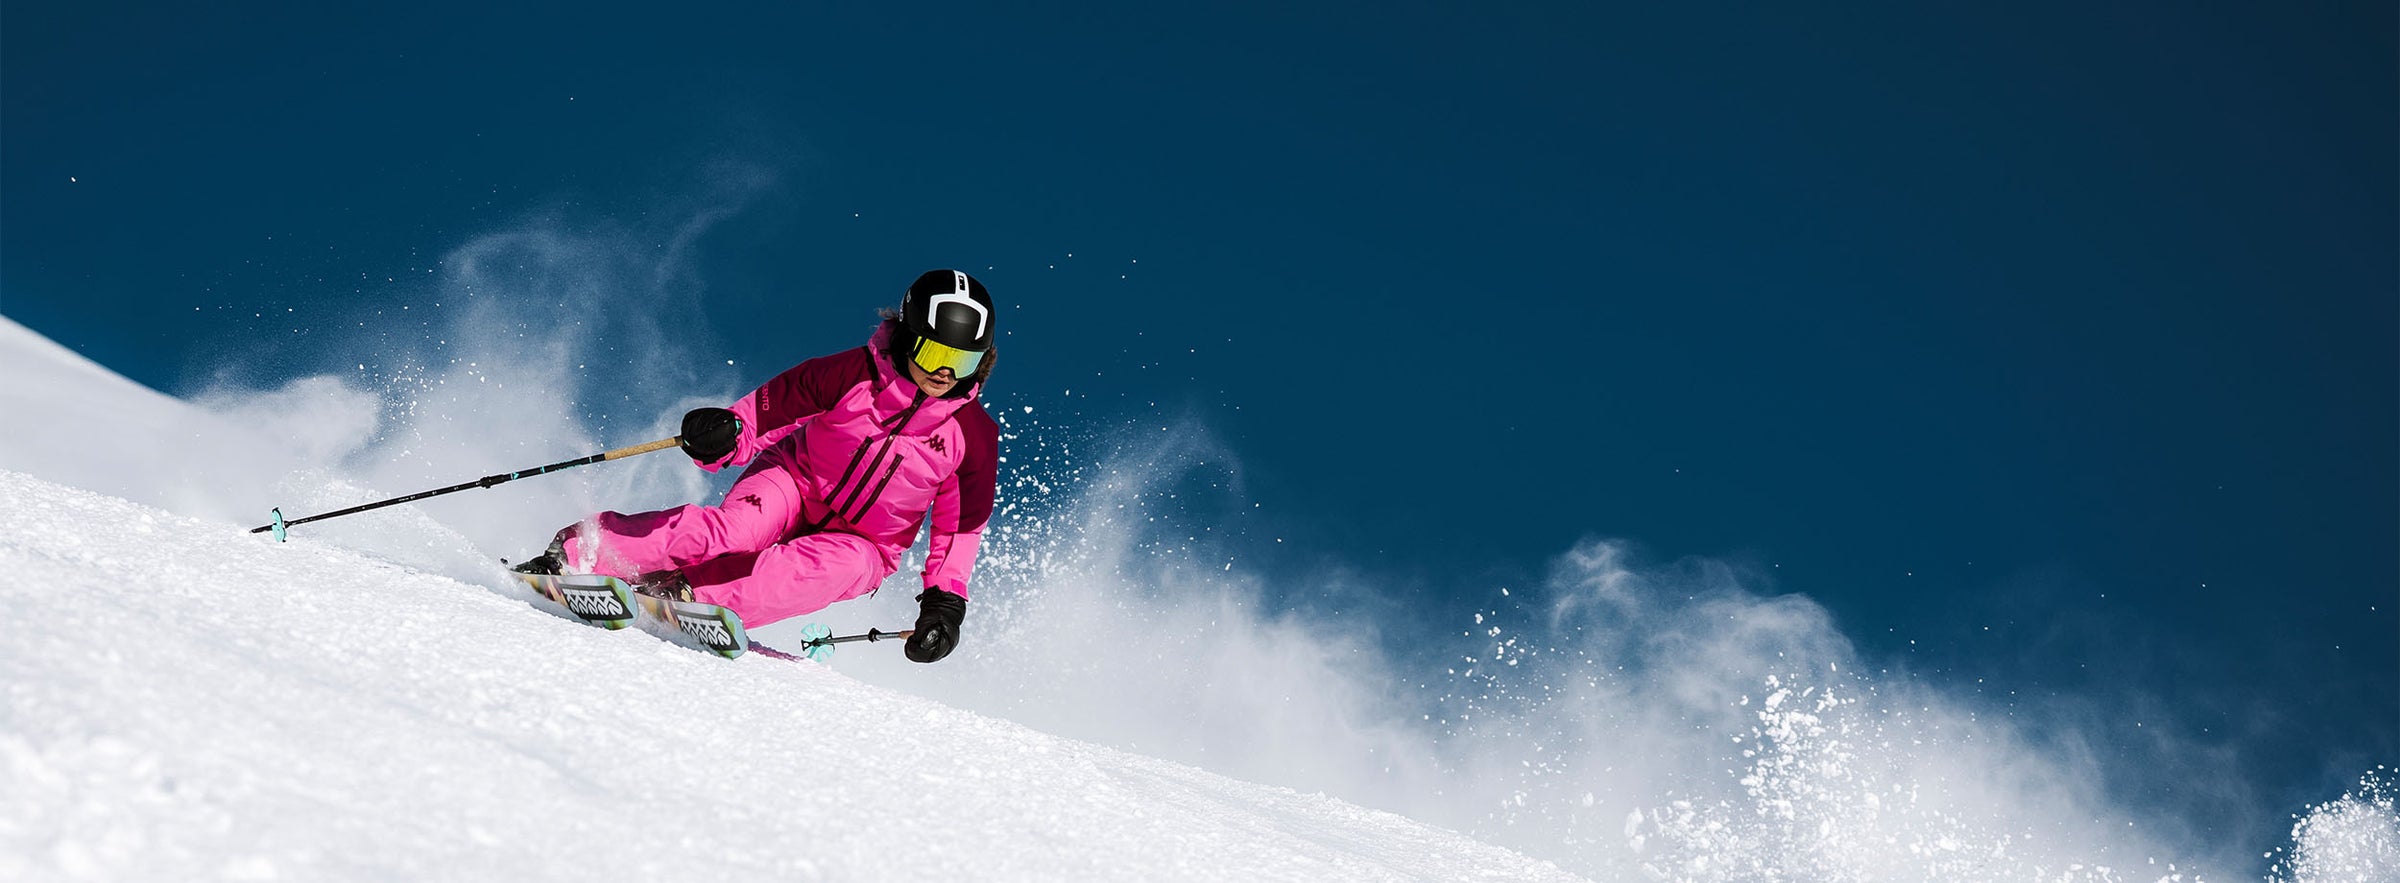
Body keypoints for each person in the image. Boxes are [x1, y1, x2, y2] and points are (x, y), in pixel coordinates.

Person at [514, 269, 1001, 663]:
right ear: (909, 337)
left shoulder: (971, 436)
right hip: (796, 477)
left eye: (961, 361)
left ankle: (689, 595)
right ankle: (582, 551)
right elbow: (764, 415)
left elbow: (958, 533)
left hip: (867, 542)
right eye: (936, 352)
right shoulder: (851, 374)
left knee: (821, 571)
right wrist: (725, 436)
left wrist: (944, 602)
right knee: (736, 531)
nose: (944, 372)